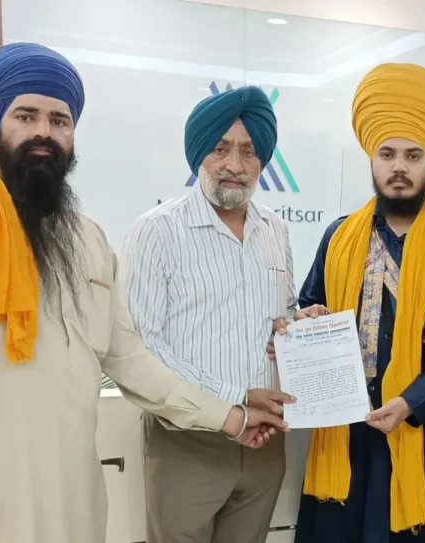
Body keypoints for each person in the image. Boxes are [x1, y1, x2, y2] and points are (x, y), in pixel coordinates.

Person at [0, 43, 286, 543]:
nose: (44, 132)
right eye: (26, 116)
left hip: (75, 498)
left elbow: (131, 360)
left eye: (60, 120)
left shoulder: (88, 240)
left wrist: (232, 417)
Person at [288, 63, 425, 543]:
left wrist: (411, 401)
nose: (399, 167)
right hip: (348, 435)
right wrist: (307, 320)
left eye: (412, 155)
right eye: (387, 154)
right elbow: (310, 305)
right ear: (373, 158)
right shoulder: (340, 235)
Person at [120, 85, 297, 543]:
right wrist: (236, 400)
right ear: (200, 154)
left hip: (264, 445)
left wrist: (300, 326)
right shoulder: (157, 231)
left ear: (262, 161)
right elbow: (142, 346)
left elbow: (283, 313)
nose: (234, 164)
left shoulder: (275, 229)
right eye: (221, 148)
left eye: (249, 151)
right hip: (188, 442)